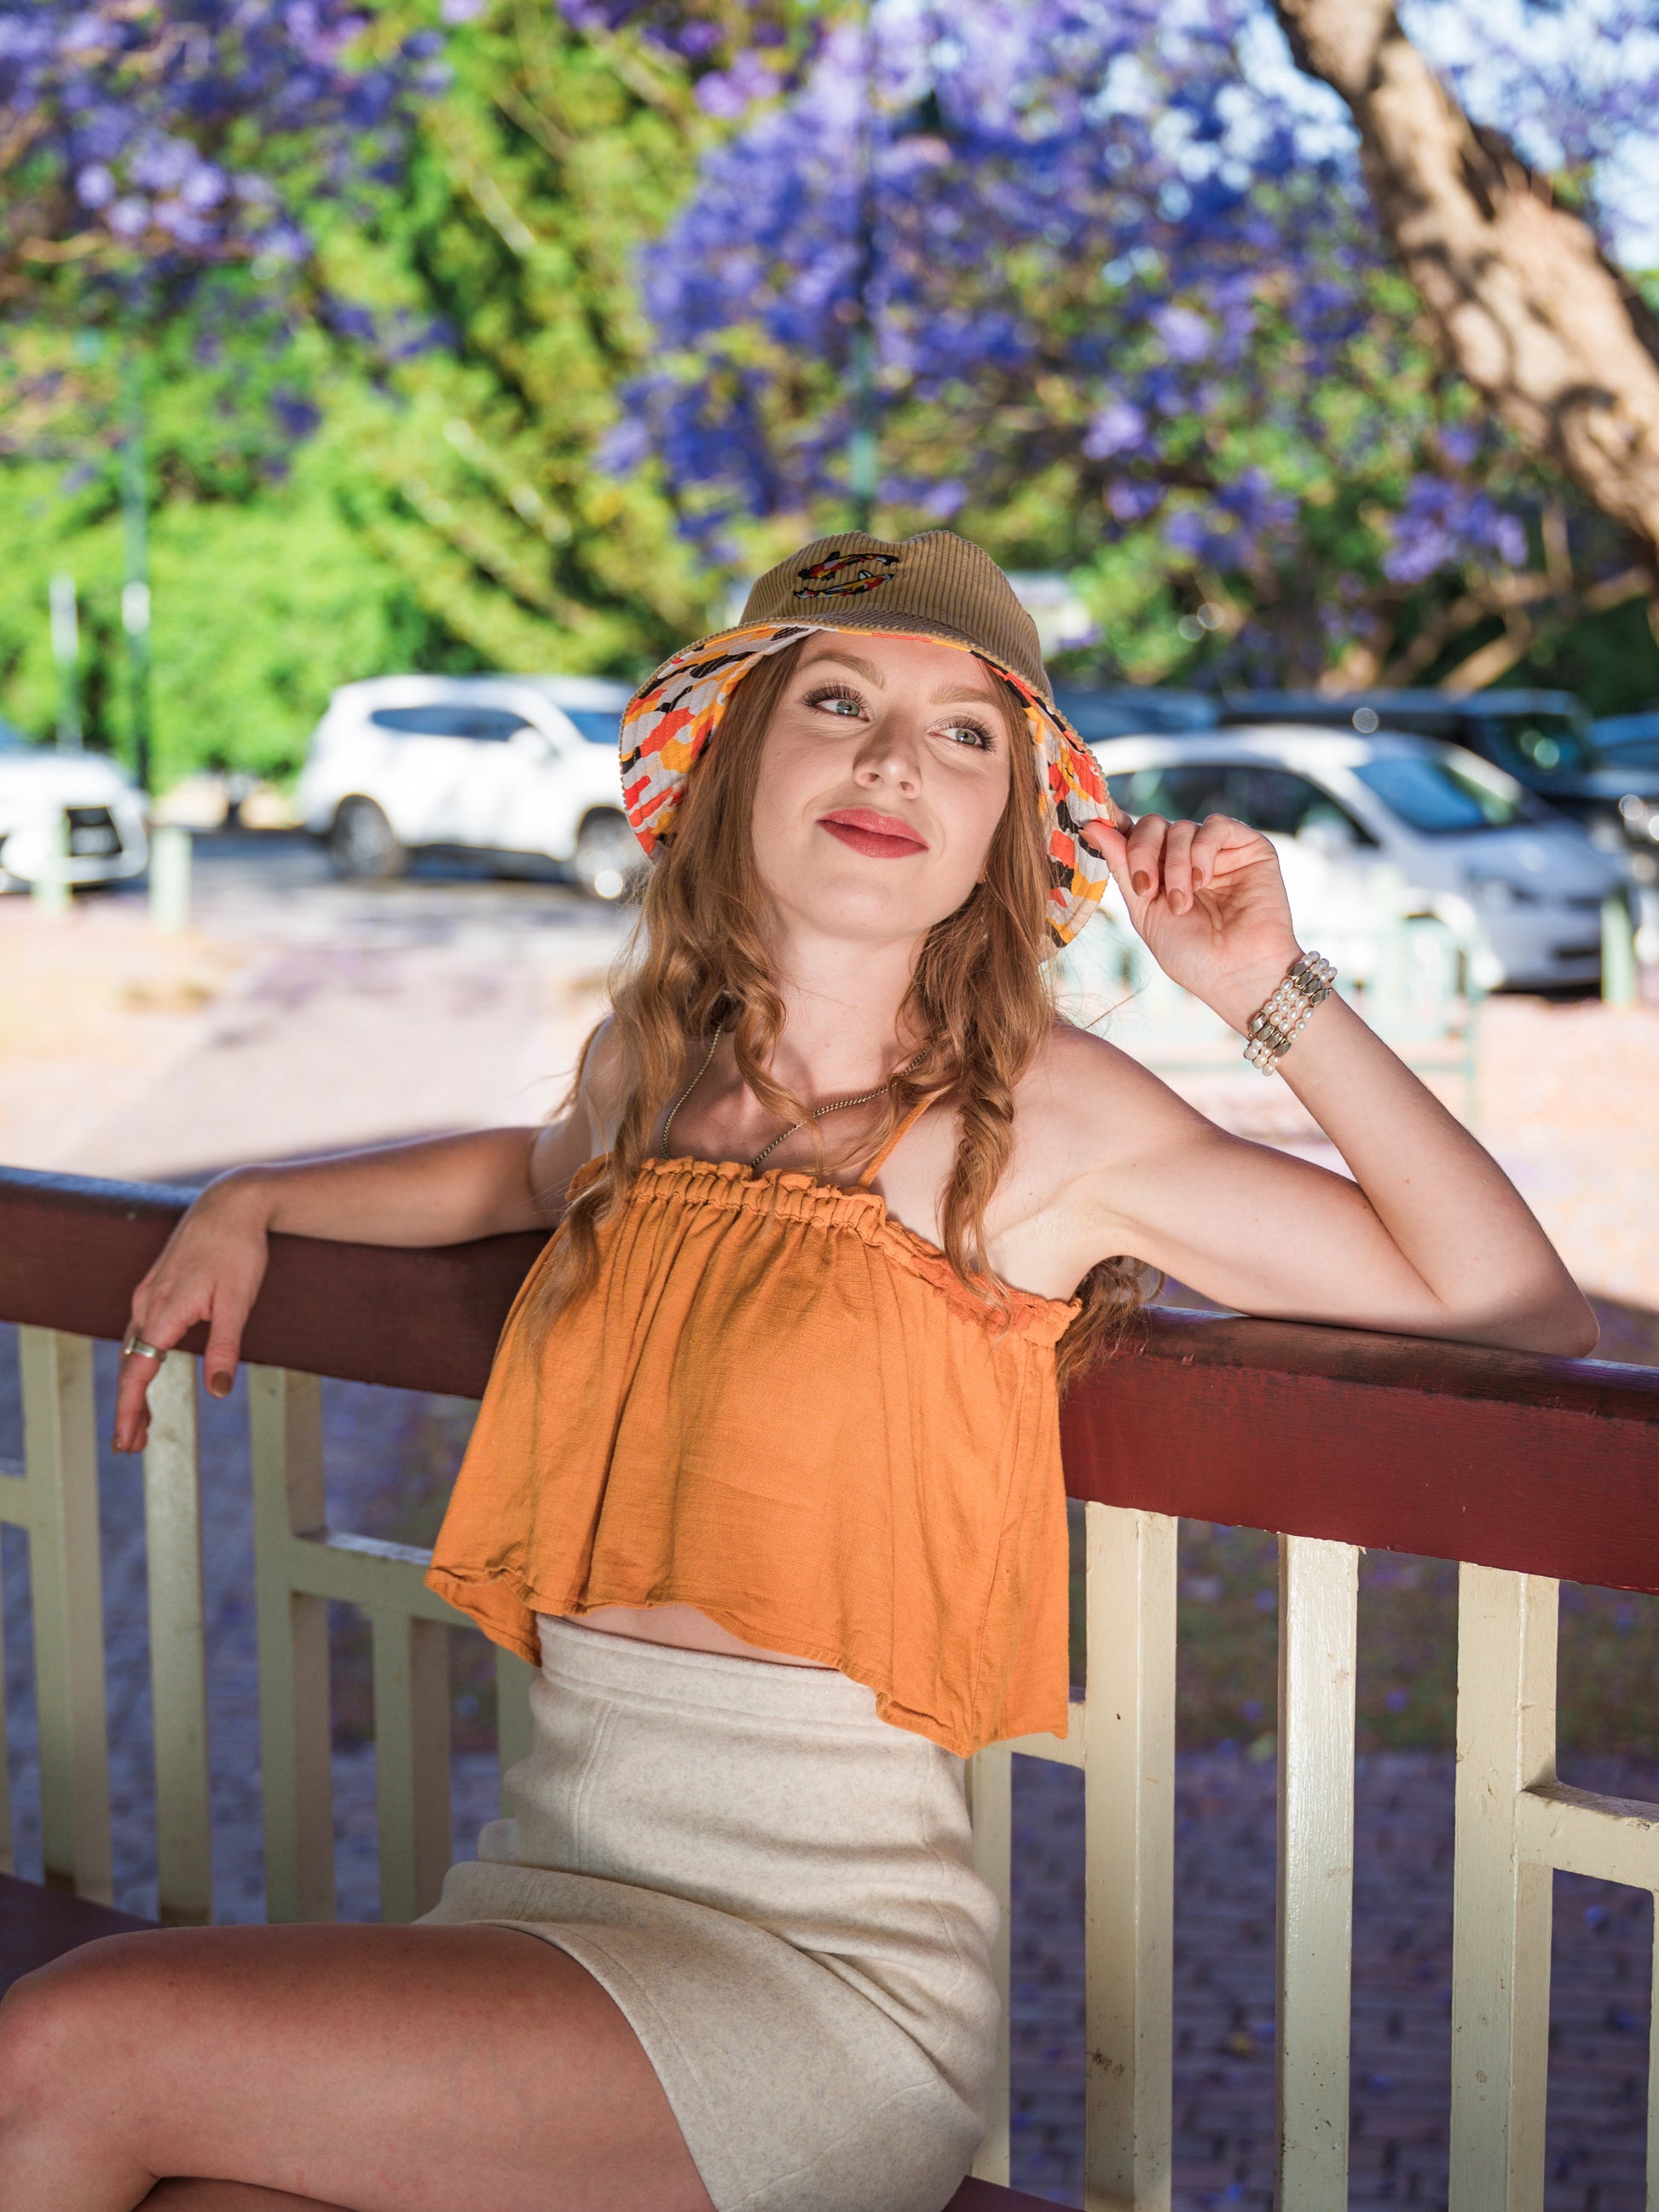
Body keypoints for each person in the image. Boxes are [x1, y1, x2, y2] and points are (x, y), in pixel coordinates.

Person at [0, 531, 1593, 2212]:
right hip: (548, 1904)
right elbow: (521, 1175)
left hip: (806, 1991)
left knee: (68, 2048)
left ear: (999, 834)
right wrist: (255, 1198)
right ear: (739, 761)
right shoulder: (655, 1073)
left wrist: (1262, 988)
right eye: (834, 699)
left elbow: (1509, 1296)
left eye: (963, 733)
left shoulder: (1041, 1118)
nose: (894, 757)